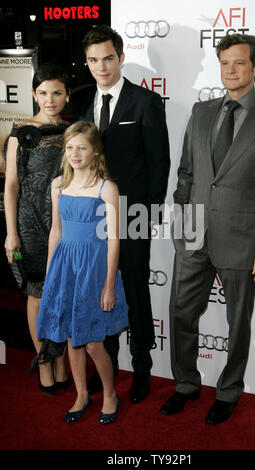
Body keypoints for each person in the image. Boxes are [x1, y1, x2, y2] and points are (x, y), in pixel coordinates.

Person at [160, 33, 255, 424]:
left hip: (243, 240)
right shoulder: (201, 113)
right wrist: (182, 222)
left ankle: (229, 390)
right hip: (193, 236)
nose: (230, 71)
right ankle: (185, 384)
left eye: (239, 63)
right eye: (224, 63)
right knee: (181, 313)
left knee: (237, 323)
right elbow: (186, 172)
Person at [72, 25, 170, 403]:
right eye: (93, 60)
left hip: (132, 215)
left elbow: (159, 162)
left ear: (121, 57)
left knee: (136, 290)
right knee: (101, 291)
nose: (101, 66)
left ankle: (142, 367)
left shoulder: (145, 101)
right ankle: (108, 366)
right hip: (91, 217)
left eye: (108, 58)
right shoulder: (82, 103)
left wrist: (149, 213)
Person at [36, 121, 128, 424]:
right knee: (72, 338)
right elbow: (55, 232)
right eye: (70, 147)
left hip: (94, 271)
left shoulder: (107, 188)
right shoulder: (58, 185)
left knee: (92, 343)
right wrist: (51, 276)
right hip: (65, 268)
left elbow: (114, 239)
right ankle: (81, 394)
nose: (75, 153)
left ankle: (110, 394)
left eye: (82, 147)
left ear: (95, 152)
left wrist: (109, 285)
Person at [4, 63, 71, 396]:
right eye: (43, 92)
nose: (50, 99)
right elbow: (12, 186)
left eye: (57, 92)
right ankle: (43, 362)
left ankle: (60, 360)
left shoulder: (74, 132)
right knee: (37, 296)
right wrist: (10, 232)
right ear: (33, 94)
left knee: (61, 296)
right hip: (30, 225)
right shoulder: (21, 132)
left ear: (67, 95)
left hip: (66, 223)